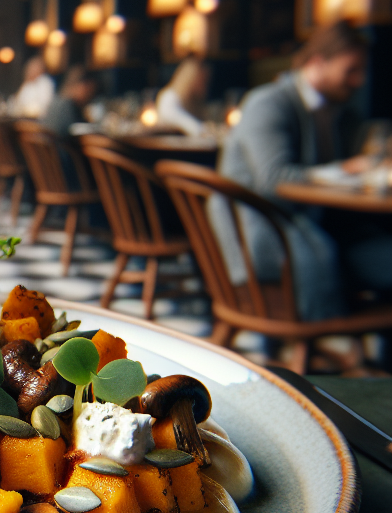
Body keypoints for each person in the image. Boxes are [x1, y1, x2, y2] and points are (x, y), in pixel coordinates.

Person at [217, 21, 390, 320]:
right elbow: (273, 179)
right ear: (318, 62)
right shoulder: (269, 102)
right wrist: (345, 170)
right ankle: (343, 347)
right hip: (272, 236)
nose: (359, 80)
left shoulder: (338, 112)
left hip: (321, 226)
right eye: (351, 70)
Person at [156, 57, 210, 136]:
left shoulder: (194, 103)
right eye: (202, 80)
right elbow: (193, 127)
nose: (204, 86)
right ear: (190, 79)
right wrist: (205, 129)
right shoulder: (168, 97)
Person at [42, 66, 100, 137]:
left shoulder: (56, 100)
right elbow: (74, 135)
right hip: (63, 147)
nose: (90, 97)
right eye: (89, 91)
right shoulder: (67, 106)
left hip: (52, 147)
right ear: (82, 86)